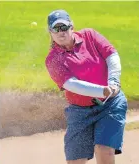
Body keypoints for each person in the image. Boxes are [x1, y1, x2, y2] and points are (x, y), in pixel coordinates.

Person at [45, 9, 128, 164]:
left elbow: (111, 55)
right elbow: (71, 84)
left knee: (103, 150)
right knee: (75, 160)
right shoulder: (52, 60)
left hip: (110, 104)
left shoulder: (90, 35)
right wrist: (102, 90)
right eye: (56, 29)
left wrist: (113, 81)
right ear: (50, 32)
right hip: (79, 111)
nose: (61, 32)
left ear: (71, 27)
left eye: (64, 27)